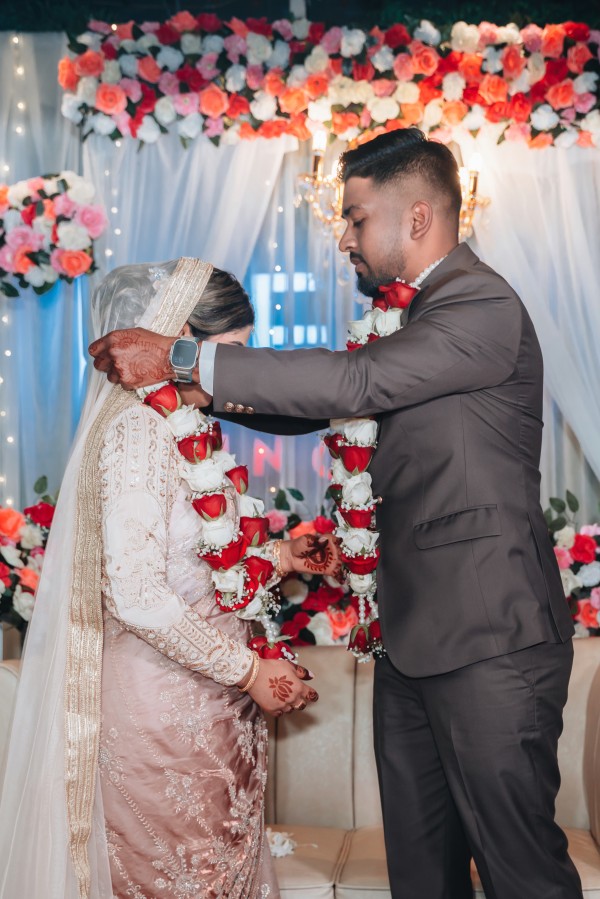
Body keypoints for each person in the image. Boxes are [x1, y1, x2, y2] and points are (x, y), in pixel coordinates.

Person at [90, 130, 583, 899]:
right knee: (423, 875)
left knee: (520, 871)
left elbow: (354, 383)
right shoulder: (418, 320)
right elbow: (333, 403)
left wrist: (183, 358)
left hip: (491, 641)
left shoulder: (480, 304)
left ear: (416, 218)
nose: (344, 238)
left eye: (355, 219)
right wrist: (190, 392)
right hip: (413, 646)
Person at [0, 258, 341, 899]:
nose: (234, 374)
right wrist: (249, 671)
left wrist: (284, 556)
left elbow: (199, 565)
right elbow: (135, 594)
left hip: (212, 707)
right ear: (179, 338)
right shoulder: (137, 431)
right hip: (160, 715)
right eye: (231, 351)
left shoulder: (182, 427)